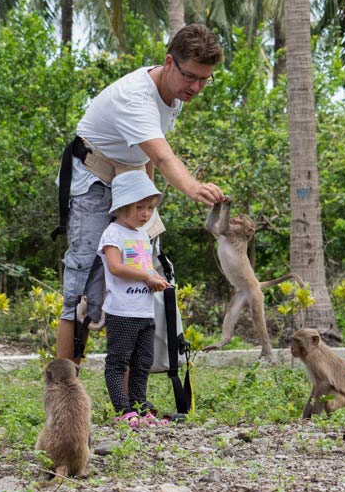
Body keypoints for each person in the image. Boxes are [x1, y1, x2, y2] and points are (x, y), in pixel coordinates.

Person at [54, 24, 226, 363]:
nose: (195, 87)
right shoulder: (136, 96)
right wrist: (193, 187)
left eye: (204, 80)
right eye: (190, 77)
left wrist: (149, 207)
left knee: (143, 278)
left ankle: (132, 398)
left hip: (130, 188)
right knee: (83, 287)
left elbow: (145, 153)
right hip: (92, 183)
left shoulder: (174, 95)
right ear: (169, 62)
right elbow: (162, 155)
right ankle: (65, 390)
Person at [98, 171, 170, 425]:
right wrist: (146, 277)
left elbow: (146, 267)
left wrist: (156, 280)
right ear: (122, 205)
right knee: (118, 362)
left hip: (144, 311)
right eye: (139, 207)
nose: (146, 214)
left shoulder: (142, 235)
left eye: (150, 208)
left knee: (142, 363)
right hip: (122, 310)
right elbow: (116, 267)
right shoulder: (113, 233)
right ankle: (123, 410)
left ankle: (140, 407)